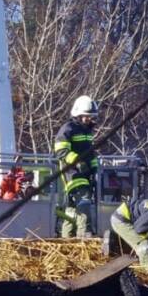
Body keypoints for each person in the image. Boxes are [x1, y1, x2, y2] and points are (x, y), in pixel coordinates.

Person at [54, 95, 100, 237]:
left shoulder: (87, 131)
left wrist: (95, 169)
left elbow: (90, 154)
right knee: (84, 202)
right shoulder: (68, 129)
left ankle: (66, 239)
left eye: (91, 116)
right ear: (78, 114)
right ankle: (84, 236)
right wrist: (78, 162)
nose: (89, 119)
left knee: (72, 209)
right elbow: (61, 151)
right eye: (86, 116)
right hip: (72, 173)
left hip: (85, 173)